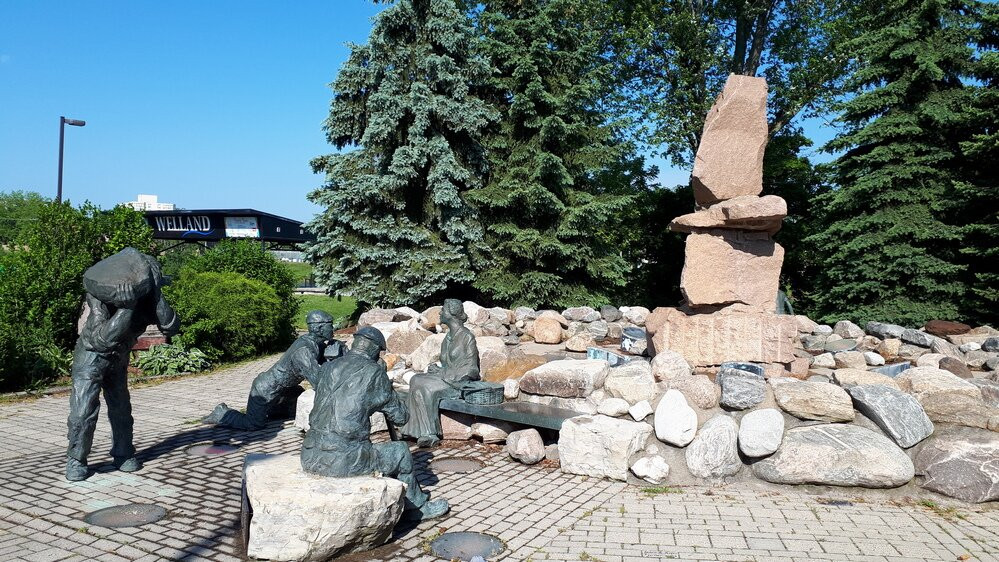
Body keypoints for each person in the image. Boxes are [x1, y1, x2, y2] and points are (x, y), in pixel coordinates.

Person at [301, 326, 449, 520]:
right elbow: (401, 417)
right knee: (401, 452)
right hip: (343, 458)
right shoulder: (374, 373)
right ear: (374, 350)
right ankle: (417, 509)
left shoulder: (328, 367)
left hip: (310, 453)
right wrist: (385, 385)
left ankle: (402, 496)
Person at [66, 249, 180, 482]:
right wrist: (126, 309)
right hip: (91, 358)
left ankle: (123, 452)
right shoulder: (98, 298)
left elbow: (170, 326)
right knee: (83, 411)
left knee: (121, 408)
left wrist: (156, 293)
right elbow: (102, 340)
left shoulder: (147, 299)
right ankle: (76, 459)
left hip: (118, 358)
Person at [203, 310, 344, 430]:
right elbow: (318, 382)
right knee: (253, 424)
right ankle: (222, 413)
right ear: (319, 328)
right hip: (266, 390)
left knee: (290, 411)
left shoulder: (316, 344)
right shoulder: (303, 351)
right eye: (330, 325)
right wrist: (332, 360)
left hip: (287, 391)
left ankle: (274, 411)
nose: (334, 328)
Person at [399, 298, 479, 447]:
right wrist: (437, 370)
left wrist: (443, 372)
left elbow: (472, 369)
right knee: (416, 378)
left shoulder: (467, 337)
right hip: (446, 378)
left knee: (426, 387)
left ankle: (430, 434)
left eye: (443, 310)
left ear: (451, 313)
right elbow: (447, 365)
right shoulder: (447, 338)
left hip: (459, 383)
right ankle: (415, 430)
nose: (440, 313)